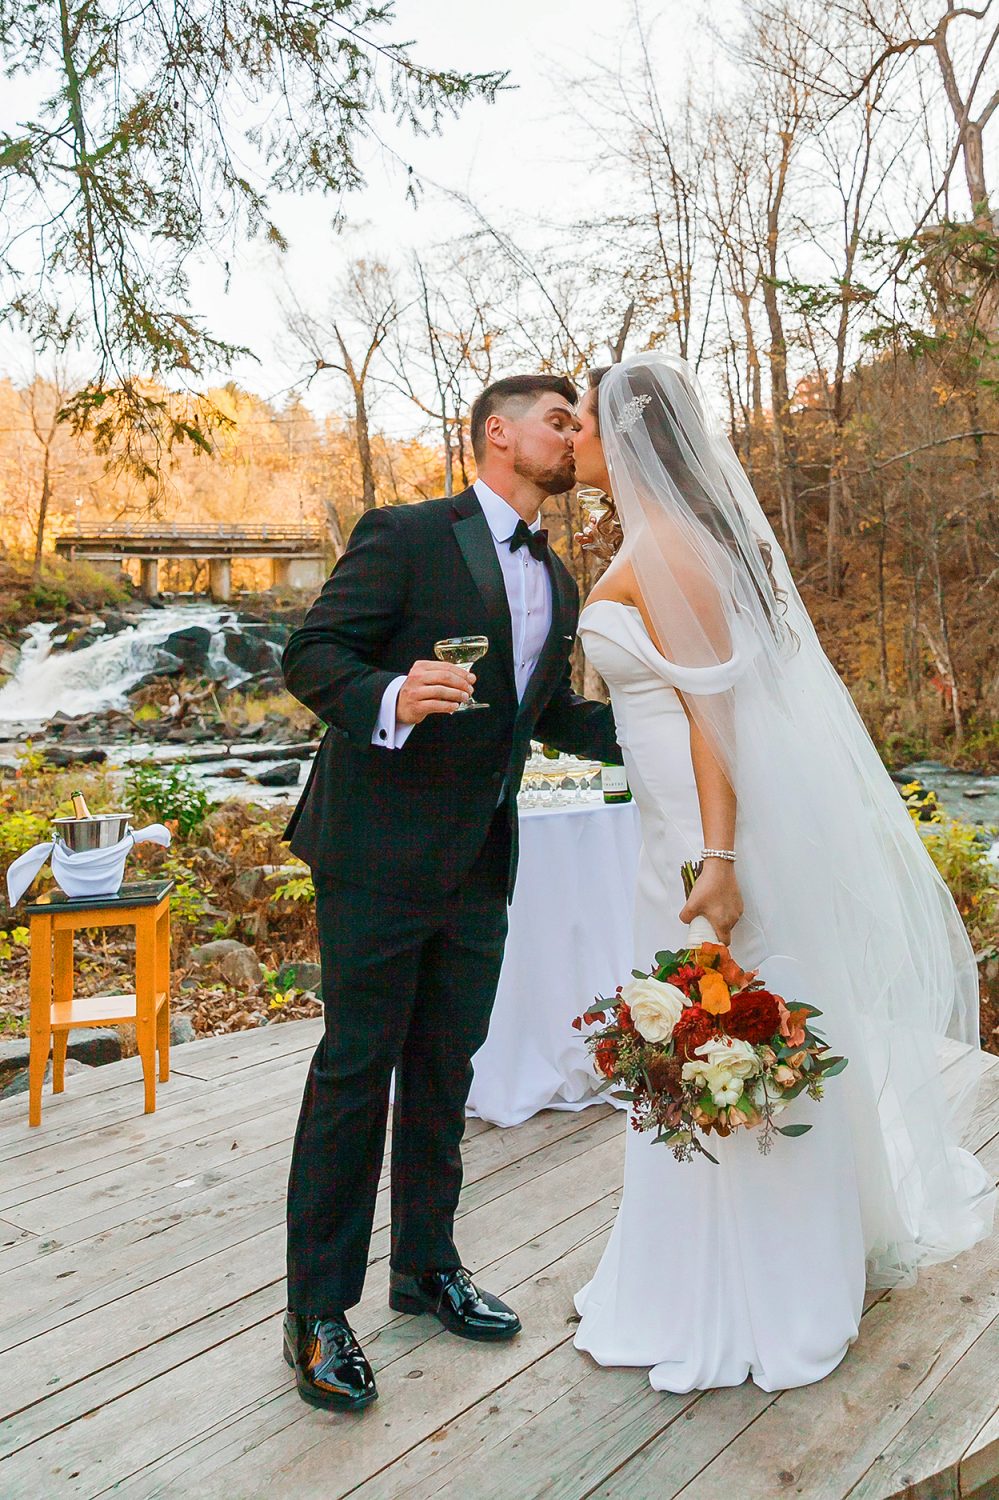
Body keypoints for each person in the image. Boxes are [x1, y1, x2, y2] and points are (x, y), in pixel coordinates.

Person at [569, 351, 995, 1393]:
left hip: (702, 839)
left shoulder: (672, 550)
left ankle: (773, 1277)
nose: (572, 437)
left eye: (581, 421)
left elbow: (720, 725)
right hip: (668, 824)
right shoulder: (659, 540)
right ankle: (693, 1260)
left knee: (736, 1025)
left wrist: (716, 861)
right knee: (693, 1035)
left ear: (626, 438)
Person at [280, 373, 621, 1411]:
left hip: (480, 859)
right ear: (496, 434)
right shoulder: (405, 533)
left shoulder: (559, 580)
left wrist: (670, 729)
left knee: (445, 1071)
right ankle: (317, 1313)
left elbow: (547, 711)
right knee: (355, 1069)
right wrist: (388, 693)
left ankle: (426, 1270)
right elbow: (310, 654)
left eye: (578, 423)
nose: (572, 437)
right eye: (558, 421)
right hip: (376, 853)